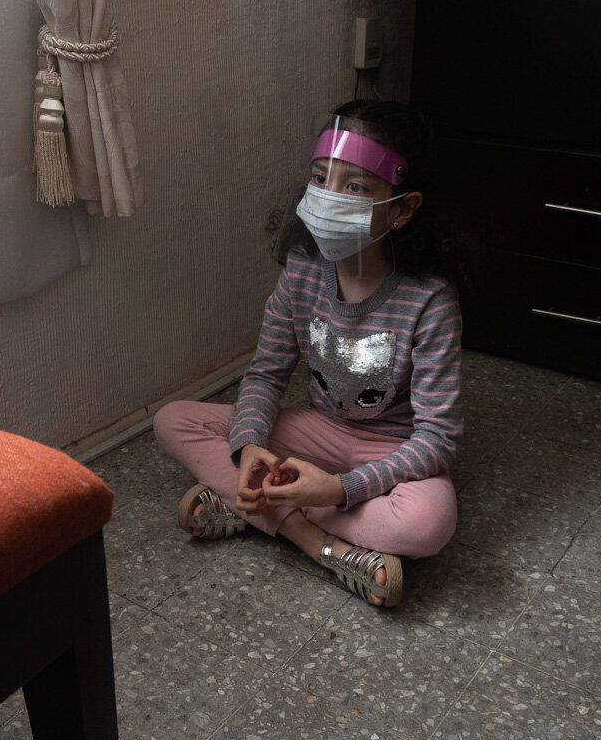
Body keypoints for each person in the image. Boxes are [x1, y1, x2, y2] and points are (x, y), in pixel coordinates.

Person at [152, 99, 460, 607]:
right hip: (315, 435)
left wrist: (340, 489)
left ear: (403, 208)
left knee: (428, 523)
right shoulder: (302, 268)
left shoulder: (430, 300)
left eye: (356, 186)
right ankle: (320, 545)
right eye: (321, 178)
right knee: (173, 420)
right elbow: (266, 376)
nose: (328, 197)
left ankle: (250, 507)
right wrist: (249, 447)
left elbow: (438, 438)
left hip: (388, 446)